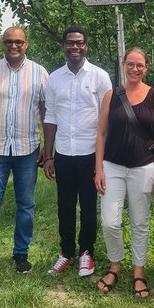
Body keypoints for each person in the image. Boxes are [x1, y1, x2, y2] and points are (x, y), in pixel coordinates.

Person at [94, 47, 154, 298]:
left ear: (146, 67)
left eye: (140, 65)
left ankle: (139, 272)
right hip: (113, 166)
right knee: (109, 221)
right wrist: (98, 169)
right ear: (123, 65)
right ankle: (115, 266)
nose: (135, 69)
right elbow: (102, 133)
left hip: (143, 167)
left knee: (140, 222)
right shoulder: (111, 95)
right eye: (130, 64)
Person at [0, 27, 48, 279]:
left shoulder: (39, 72)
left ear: (26, 44)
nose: (13, 46)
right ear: (2, 44)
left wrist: (48, 146)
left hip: (28, 148)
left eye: (18, 42)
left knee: (26, 205)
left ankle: (21, 254)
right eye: (8, 42)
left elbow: (46, 110)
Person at [43, 26, 112, 276]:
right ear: (63, 46)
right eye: (70, 43)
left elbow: (107, 119)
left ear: (86, 46)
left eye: (79, 43)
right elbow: (50, 116)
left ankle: (87, 253)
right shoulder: (54, 79)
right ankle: (66, 253)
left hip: (90, 153)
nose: (75, 47)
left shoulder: (100, 77)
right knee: (65, 206)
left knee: (88, 204)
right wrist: (48, 154)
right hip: (63, 153)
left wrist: (101, 162)